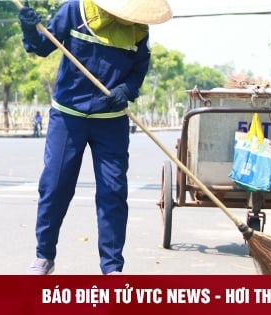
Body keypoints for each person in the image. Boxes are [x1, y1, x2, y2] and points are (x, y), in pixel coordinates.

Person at [18, 0, 171, 275]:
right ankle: (44, 255)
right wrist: (29, 30)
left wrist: (127, 89)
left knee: (113, 193)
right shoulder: (75, 10)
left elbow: (139, 67)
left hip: (111, 121)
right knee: (54, 187)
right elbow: (42, 47)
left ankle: (112, 268)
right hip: (68, 116)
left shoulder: (137, 28)